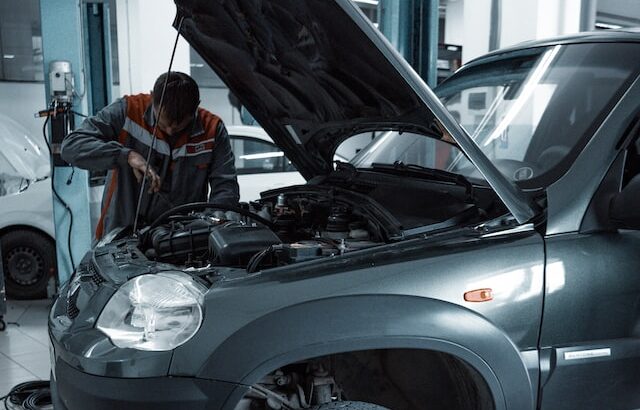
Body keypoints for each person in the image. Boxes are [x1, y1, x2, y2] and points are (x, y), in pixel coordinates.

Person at [61, 71, 239, 239]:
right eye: (165, 122)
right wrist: (126, 156)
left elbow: (225, 188)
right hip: (120, 239)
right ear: (153, 97)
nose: (170, 130)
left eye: (179, 125)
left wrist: (210, 224)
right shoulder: (128, 112)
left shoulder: (212, 130)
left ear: (197, 106)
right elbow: (71, 146)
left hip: (183, 240)